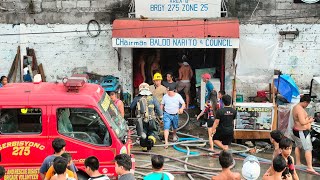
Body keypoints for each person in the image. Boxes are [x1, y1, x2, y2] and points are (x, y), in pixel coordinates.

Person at [130, 83, 163, 151]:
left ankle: (144, 147)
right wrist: (161, 117)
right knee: (153, 131)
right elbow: (158, 108)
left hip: (141, 120)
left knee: (143, 132)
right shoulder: (152, 97)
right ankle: (150, 141)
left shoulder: (137, 98)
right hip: (152, 119)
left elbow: (131, 107)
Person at [291, 95, 316, 173]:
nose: (307, 106)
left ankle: (298, 163)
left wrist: (307, 119)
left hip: (296, 130)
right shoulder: (300, 110)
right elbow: (302, 122)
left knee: (298, 146)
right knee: (308, 149)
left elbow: (300, 119)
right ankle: (309, 167)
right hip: (302, 131)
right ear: (305, 102)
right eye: (307, 104)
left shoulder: (295, 107)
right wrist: (310, 120)